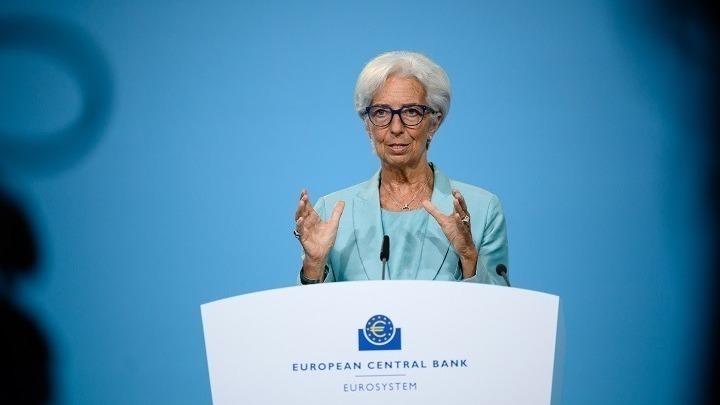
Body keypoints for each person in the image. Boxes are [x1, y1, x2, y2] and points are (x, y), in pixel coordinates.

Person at [294, 51, 508, 284]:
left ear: (434, 123)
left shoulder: (483, 209)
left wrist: (468, 256)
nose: (396, 128)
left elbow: (499, 304)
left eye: (411, 112)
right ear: (367, 125)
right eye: (381, 113)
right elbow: (310, 308)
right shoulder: (331, 213)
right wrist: (314, 264)